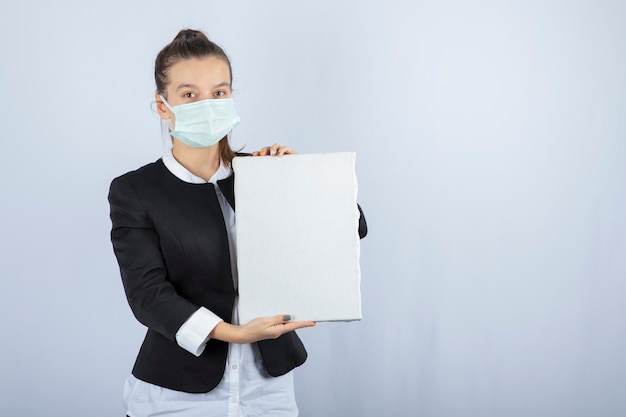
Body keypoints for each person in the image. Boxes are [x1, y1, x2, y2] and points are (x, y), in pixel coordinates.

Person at [108, 29, 367, 417]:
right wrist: (235, 334)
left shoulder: (260, 173)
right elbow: (148, 296)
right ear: (163, 106)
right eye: (190, 94)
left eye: (219, 92)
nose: (207, 104)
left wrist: (298, 180)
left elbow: (350, 230)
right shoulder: (136, 190)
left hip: (267, 387)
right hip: (176, 389)